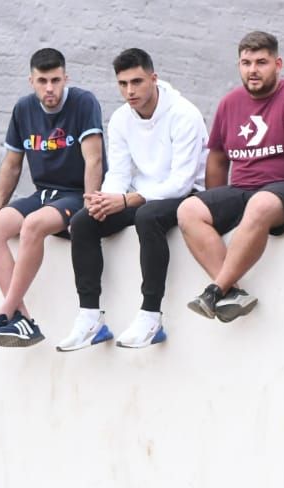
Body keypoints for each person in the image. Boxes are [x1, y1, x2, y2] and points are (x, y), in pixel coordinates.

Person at [53, 48, 205, 354]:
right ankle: (90, 317)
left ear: (154, 78)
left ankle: (151, 317)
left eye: (137, 82)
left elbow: (181, 182)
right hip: (138, 195)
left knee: (147, 217)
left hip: (185, 196)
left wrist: (126, 200)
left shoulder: (184, 114)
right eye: (122, 84)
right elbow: (120, 173)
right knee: (83, 220)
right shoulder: (121, 119)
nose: (130, 91)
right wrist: (105, 199)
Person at [178, 31, 284, 324]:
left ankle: (215, 289)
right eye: (246, 62)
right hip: (245, 190)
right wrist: (217, 205)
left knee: (260, 204)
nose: (253, 70)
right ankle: (234, 294)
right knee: (189, 209)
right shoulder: (229, 103)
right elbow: (218, 158)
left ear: (278, 63)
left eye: (261, 62)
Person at [0, 48, 104, 349]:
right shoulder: (23, 109)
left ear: (65, 77)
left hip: (74, 196)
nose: (50, 88)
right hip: (43, 194)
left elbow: (94, 160)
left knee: (32, 225)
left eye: (56, 80)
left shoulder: (83, 102)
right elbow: (12, 164)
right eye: (42, 81)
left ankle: (3, 312)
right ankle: (22, 320)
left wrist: (89, 208)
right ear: (31, 80)